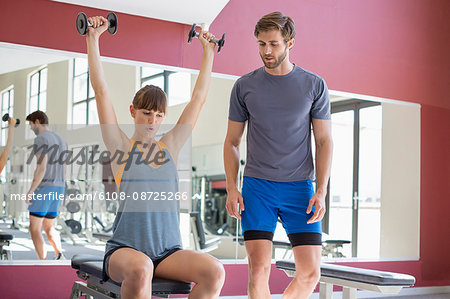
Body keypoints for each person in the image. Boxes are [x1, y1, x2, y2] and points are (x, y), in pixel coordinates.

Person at [85, 16, 225, 298]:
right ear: (133, 112)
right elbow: (101, 92)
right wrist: (93, 38)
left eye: (159, 114)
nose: (153, 120)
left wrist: (208, 53)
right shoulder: (121, 148)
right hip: (125, 252)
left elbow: (198, 99)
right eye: (147, 112)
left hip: (168, 252)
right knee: (141, 267)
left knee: (215, 271)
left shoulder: (169, 146)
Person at [224, 12, 333, 299]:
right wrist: (232, 187)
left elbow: (323, 141)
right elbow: (232, 141)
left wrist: (321, 190)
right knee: (258, 270)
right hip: (258, 187)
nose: (266, 51)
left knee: (310, 274)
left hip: (300, 188)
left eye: (273, 44)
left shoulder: (314, 85)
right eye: (261, 44)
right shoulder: (244, 86)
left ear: (290, 42)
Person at [25, 110, 67, 260]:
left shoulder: (41, 138)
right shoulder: (62, 140)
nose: (30, 129)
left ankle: (42, 262)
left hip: (45, 188)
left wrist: (31, 190)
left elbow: (41, 167)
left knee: (34, 228)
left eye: (30, 125)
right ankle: (59, 254)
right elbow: (65, 167)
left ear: (37, 121)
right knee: (49, 226)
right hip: (60, 187)